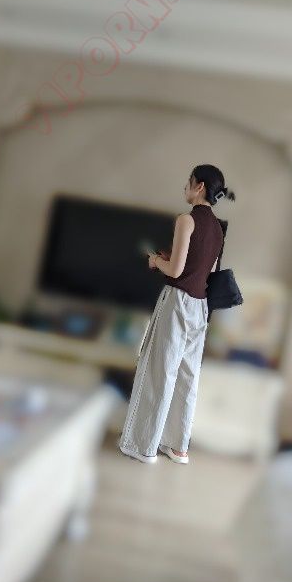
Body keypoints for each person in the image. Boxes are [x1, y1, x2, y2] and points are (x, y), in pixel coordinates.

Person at [118, 165, 236, 464]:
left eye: (189, 182)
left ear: (199, 187)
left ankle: (143, 446)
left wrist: (155, 261)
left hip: (177, 301)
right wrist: (174, 261)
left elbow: (175, 271)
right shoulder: (218, 228)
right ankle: (178, 446)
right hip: (200, 307)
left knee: (160, 371)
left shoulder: (186, 219)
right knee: (187, 375)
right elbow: (204, 270)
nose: (185, 187)